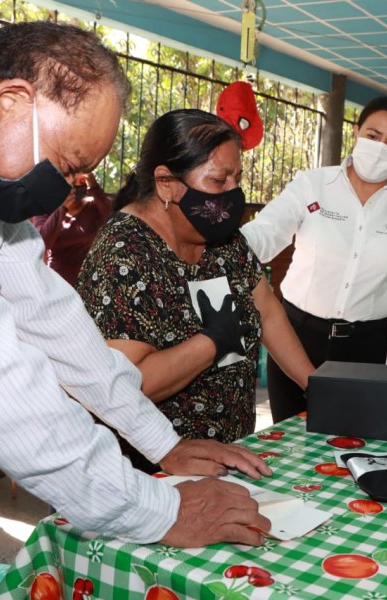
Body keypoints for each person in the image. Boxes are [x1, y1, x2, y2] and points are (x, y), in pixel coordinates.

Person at [0, 22, 271, 599]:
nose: (68, 190)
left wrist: (161, 442)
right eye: (67, 165)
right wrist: (157, 508)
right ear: (12, 102)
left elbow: (53, 322)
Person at [76, 109, 315, 472]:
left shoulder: (221, 236)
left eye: (237, 178)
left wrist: (313, 385)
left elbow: (266, 309)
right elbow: (126, 387)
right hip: (152, 470)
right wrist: (213, 341)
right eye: (218, 181)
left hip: (228, 451)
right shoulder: (124, 257)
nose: (233, 193)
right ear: (166, 184)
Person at [241, 96, 387, 423]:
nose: (380, 147)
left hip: (366, 348)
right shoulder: (313, 185)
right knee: (289, 441)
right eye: (373, 136)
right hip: (295, 338)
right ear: (356, 131)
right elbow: (267, 232)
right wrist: (225, 246)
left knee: (352, 440)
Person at [32, 172, 113, 285]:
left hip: (91, 278)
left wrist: (94, 187)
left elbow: (114, 219)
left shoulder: (93, 206)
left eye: (79, 181)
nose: (75, 187)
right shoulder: (46, 210)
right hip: (60, 282)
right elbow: (43, 242)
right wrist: (62, 208)